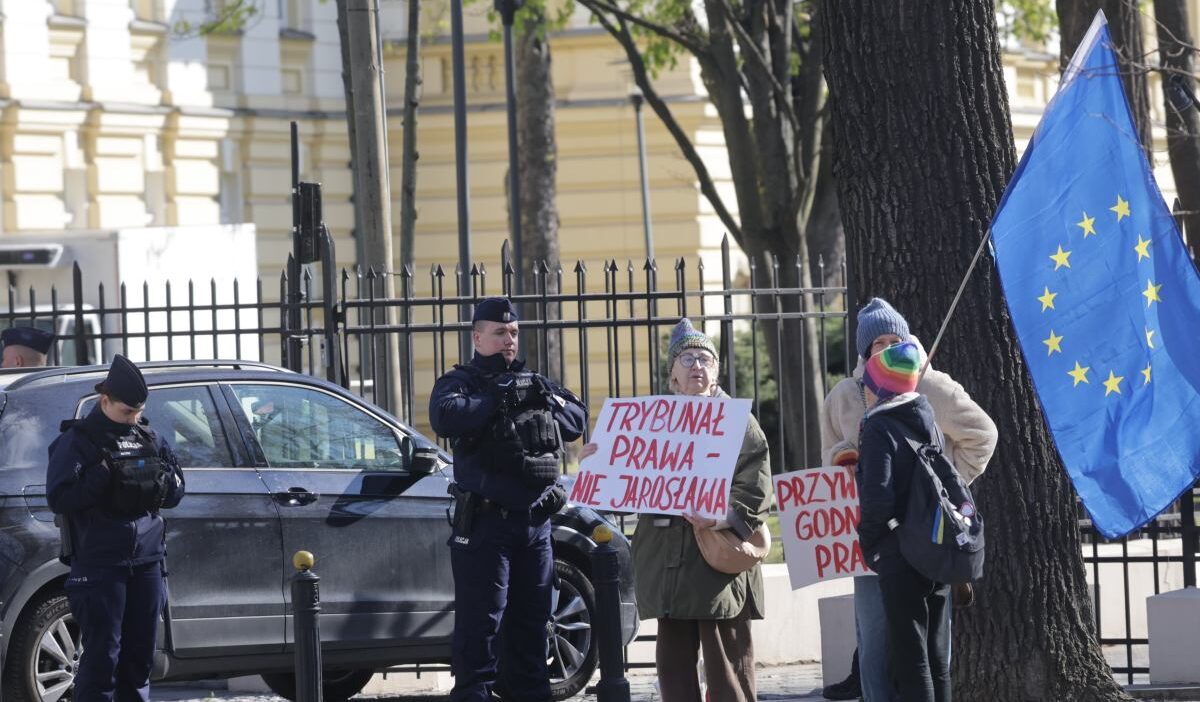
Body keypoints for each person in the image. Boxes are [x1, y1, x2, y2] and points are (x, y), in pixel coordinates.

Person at [582, 318, 772, 702]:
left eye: (705, 359)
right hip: (666, 564)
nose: (697, 366)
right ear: (672, 373)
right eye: (687, 359)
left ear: (716, 371)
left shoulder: (738, 421)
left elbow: (756, 487)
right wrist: (597, 465)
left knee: (727, 668)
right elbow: (622, 488)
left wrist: (718, 517)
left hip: (715, 561)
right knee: (673, 668)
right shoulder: (653, 422)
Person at [821, 298, 996, 702]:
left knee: (928, 650)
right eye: (877, 344)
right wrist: (844, 458)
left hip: (925, 536)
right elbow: (828, 454)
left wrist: (937, 493)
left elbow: (982, 435)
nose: (886, 349)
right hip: (876, 538)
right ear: (864, 352)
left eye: (894, 341)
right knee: (875, 643)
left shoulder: (931, 386)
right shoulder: (844, 395)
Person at [428, 296, 588, 702]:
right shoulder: (461, 382)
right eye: (500, 332)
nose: (509, 340)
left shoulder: (533, 381)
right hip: (486, 526)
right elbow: (444, 417)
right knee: (482, 626)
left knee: (533, 625)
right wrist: (497, 396)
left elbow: (577, 420)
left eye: (513, 332)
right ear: (477, 337)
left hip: (534, 526)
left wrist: (542, 396)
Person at [46, 354, 186, 701]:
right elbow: (60, 498)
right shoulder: (78, 441)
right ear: (104, 399)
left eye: (138, 412)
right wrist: (102, 474)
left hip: (148, 562)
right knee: (101, 662)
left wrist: (161, 480)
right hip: (100, 565)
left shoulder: (149, 437)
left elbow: (176, 492)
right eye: (126, 412)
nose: (132, 419)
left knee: (139, 660)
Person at [857, 341, 950, 702]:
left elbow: (877, 497)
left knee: (911, 657)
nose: (865, 391)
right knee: (936, 656)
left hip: (900, 552)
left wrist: (870, 542)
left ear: (881, 388)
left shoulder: (879, 427)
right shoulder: (927, 420)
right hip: (935, 548)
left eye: (868, 383)